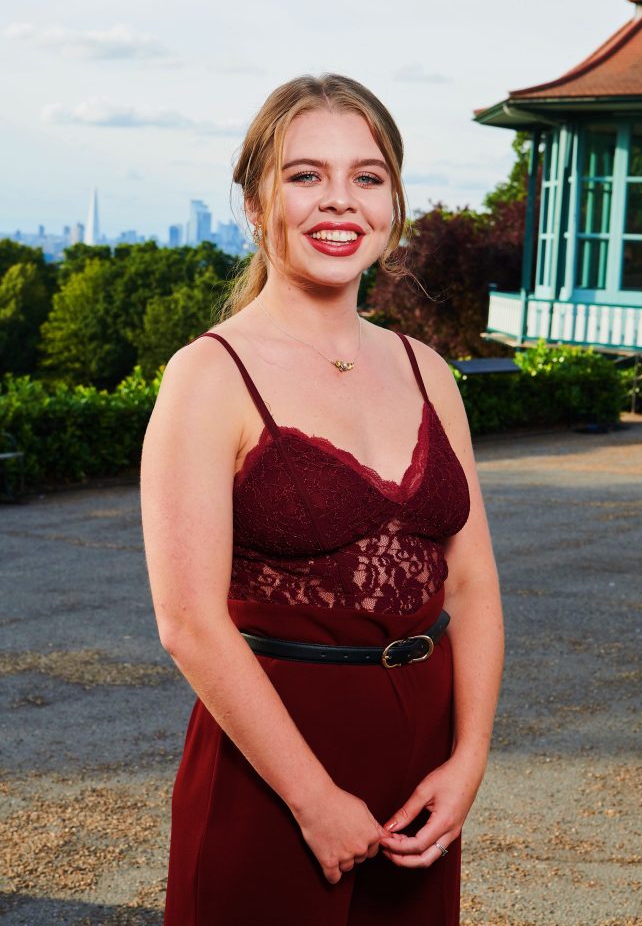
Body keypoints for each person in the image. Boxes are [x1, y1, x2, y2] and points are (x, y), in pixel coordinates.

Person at [140, 72, 504, 926]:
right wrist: (312, 798)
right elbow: (187, 620)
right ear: (255, 202)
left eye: (365, 176)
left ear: (394, 202)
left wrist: (469, 759)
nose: (339, 202)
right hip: (274, 771)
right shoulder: (207, 377)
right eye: (306, 175)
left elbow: (472, 583)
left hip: (423, 767)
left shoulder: (426, 371)